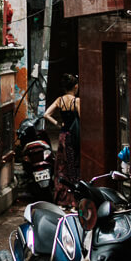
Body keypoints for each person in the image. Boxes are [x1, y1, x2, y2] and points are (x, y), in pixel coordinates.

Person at [44, 74, 80, 206]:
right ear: (75, 86)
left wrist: (58, 124)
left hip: (62, 136)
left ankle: (61, 197)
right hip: (73, 136)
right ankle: (73, 200)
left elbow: (46, 114)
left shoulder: (60, 100)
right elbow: (81, 119)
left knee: (61, 166)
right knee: (73, 166)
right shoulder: (76, 101)